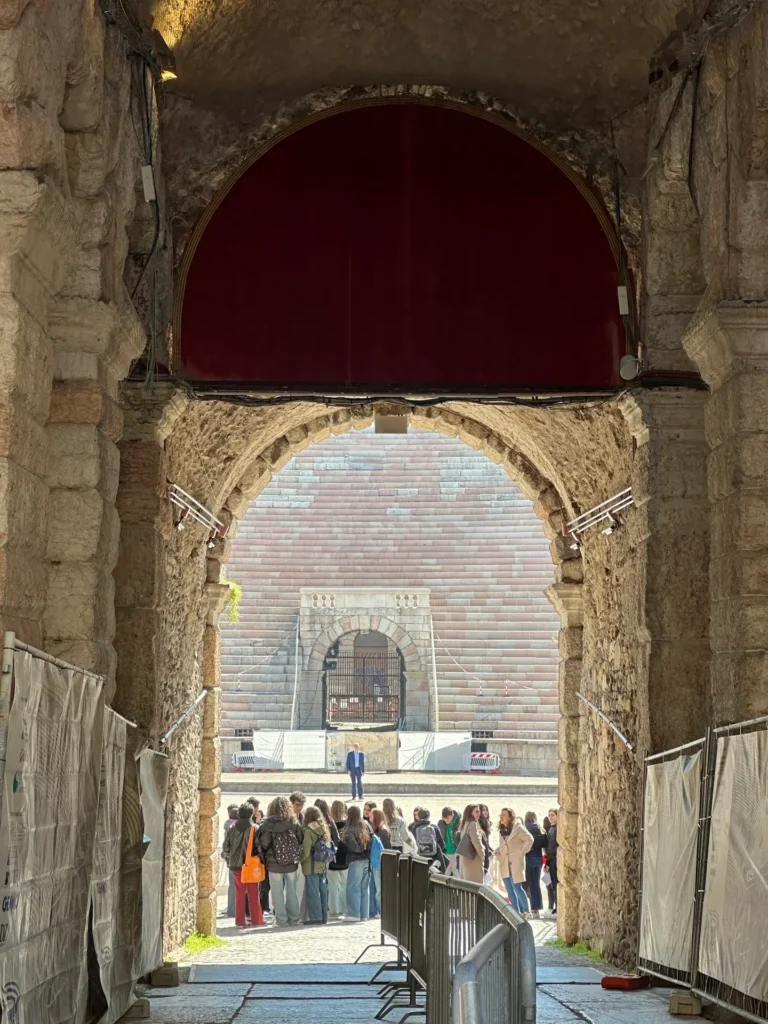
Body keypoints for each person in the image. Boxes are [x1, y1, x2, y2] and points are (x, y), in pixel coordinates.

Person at [255, 796, 303, 927]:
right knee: (291, 891)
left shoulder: (267, 824)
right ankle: (294, 918)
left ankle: (281, 920)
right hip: (291, 862)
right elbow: (300, 839)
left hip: (274, 863)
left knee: (277, 892)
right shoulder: (294, 822)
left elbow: (264, 845)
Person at [222, 803, 264, 928]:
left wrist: (231, 857)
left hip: (235, 865)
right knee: (253, 892)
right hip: (250, 865)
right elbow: (259, 847)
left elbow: (225, 847)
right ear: (251, 814)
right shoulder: (255, 828)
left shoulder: (232, 828)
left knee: (239, 893)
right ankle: (256, 920)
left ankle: (240, 921)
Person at [496, 808, 533, 916]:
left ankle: (526, 911)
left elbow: (530, 839)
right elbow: (503, 845)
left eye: (503, 815)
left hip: (515, 862)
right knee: (509, 890)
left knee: (517, 887)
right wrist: (498, 851)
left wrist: (521, 853)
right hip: (504, 862)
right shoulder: (502, 829)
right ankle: (515, 913)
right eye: (500, 814)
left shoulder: (518, 828)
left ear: (510, 817)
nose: (501, 817)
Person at [301, 806, 332, 924]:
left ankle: (315, 918)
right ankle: (324, 917)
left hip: (310, 865)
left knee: (313, 893)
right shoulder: (323, 829)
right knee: (323, 892)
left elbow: (306, 851)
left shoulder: (309, 831)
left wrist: (300, 860)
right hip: (322, 865)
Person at [342, 804, 372, 920]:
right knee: (364, 888)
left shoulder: (350, 829)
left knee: (353, 887)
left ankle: (354, 914)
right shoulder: (366, 826)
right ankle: (364, 914)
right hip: (366, 859)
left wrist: (360, 848)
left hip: (356, 859)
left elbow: (354, 847)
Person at [524, 811, 547, 919]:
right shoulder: (540, 829)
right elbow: (544, 844)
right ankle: (537, 908)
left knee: (530, 884)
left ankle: (532, 908)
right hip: (539, 858)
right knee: (536, 883)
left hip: (529, 858)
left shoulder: (526, 829)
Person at [327, 800, 348, 919]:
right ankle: (344, 909)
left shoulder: (329, 824)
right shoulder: (346, 824)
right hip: (344, 857)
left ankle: (333, 911)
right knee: (344, 886)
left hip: (332, 857)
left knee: (332, 886)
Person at [455, 804, 486, 884]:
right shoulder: (472, 824)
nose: (479, 813)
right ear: (470, 813)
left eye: (479, 811)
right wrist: (482, 855)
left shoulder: (464, 824)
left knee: (467, 886)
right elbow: (476, 842)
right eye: (476, 811)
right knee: (476, 886)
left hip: (465, 860)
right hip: (473, 861)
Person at [369, 809, 391, 917]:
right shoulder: (377, 829)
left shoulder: (383, 831)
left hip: (379, 863)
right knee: (376, 888)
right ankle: (376, 910)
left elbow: (386, 848)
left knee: (379, 889)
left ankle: (380, 910)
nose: (369, 817)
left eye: (372, 816)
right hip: (376, 862)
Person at [224, 804, 239, 918]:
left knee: (232, 885)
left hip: (230, 860)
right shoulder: (236, 828)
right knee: (238, 885)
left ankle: (231, 910)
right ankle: (236, 910)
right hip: (238, 859)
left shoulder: (227, 827)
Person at [438, 807, 461, 876]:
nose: (446, 820)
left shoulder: (459, 823)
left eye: (448, 818)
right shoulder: (440, 823)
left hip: (455, 852)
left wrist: (457, 853)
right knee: (446, 873)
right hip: (445, 852)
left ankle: (458, 886)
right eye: (444, 818)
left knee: (455, 872)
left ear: (452, 815)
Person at [546, 808, 559, 916]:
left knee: (556, 883)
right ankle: (556, 906)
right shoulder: (551, 829)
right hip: (551, 860)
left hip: (555, 859)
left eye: (552, 815)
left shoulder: (557, 829)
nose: (550, 817)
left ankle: (558, 907)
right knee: (553, 884)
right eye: (549, 815)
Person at [478, 804, 493, 875]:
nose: (486, 812)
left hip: (486, 852)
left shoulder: (486, 823)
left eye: (486, 810)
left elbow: (487, 842)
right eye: (483, 810)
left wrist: (492, 850)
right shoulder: (479, 824)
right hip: (482, 854)